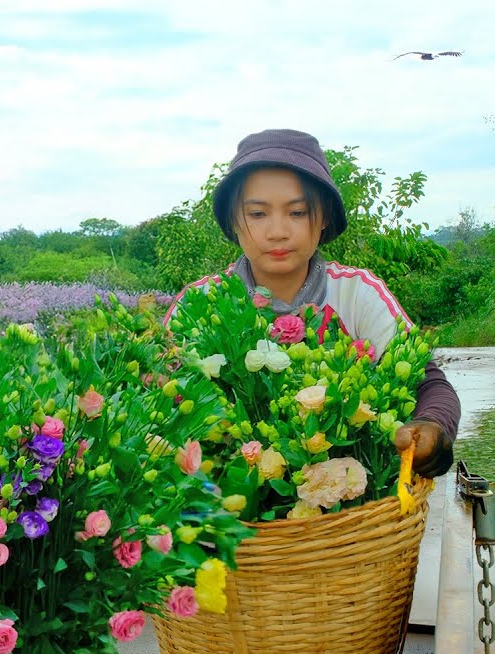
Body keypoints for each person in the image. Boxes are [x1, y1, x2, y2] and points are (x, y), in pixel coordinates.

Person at [163, 128, 460, 477]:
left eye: (298, 213)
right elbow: (156, 395)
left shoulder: (357, 292)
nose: (277, 231)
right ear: (233, 221)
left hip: (350, 498)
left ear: (324, 218)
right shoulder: (198, 303)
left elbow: (428, 383)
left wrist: (431, 425)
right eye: (257, 214)